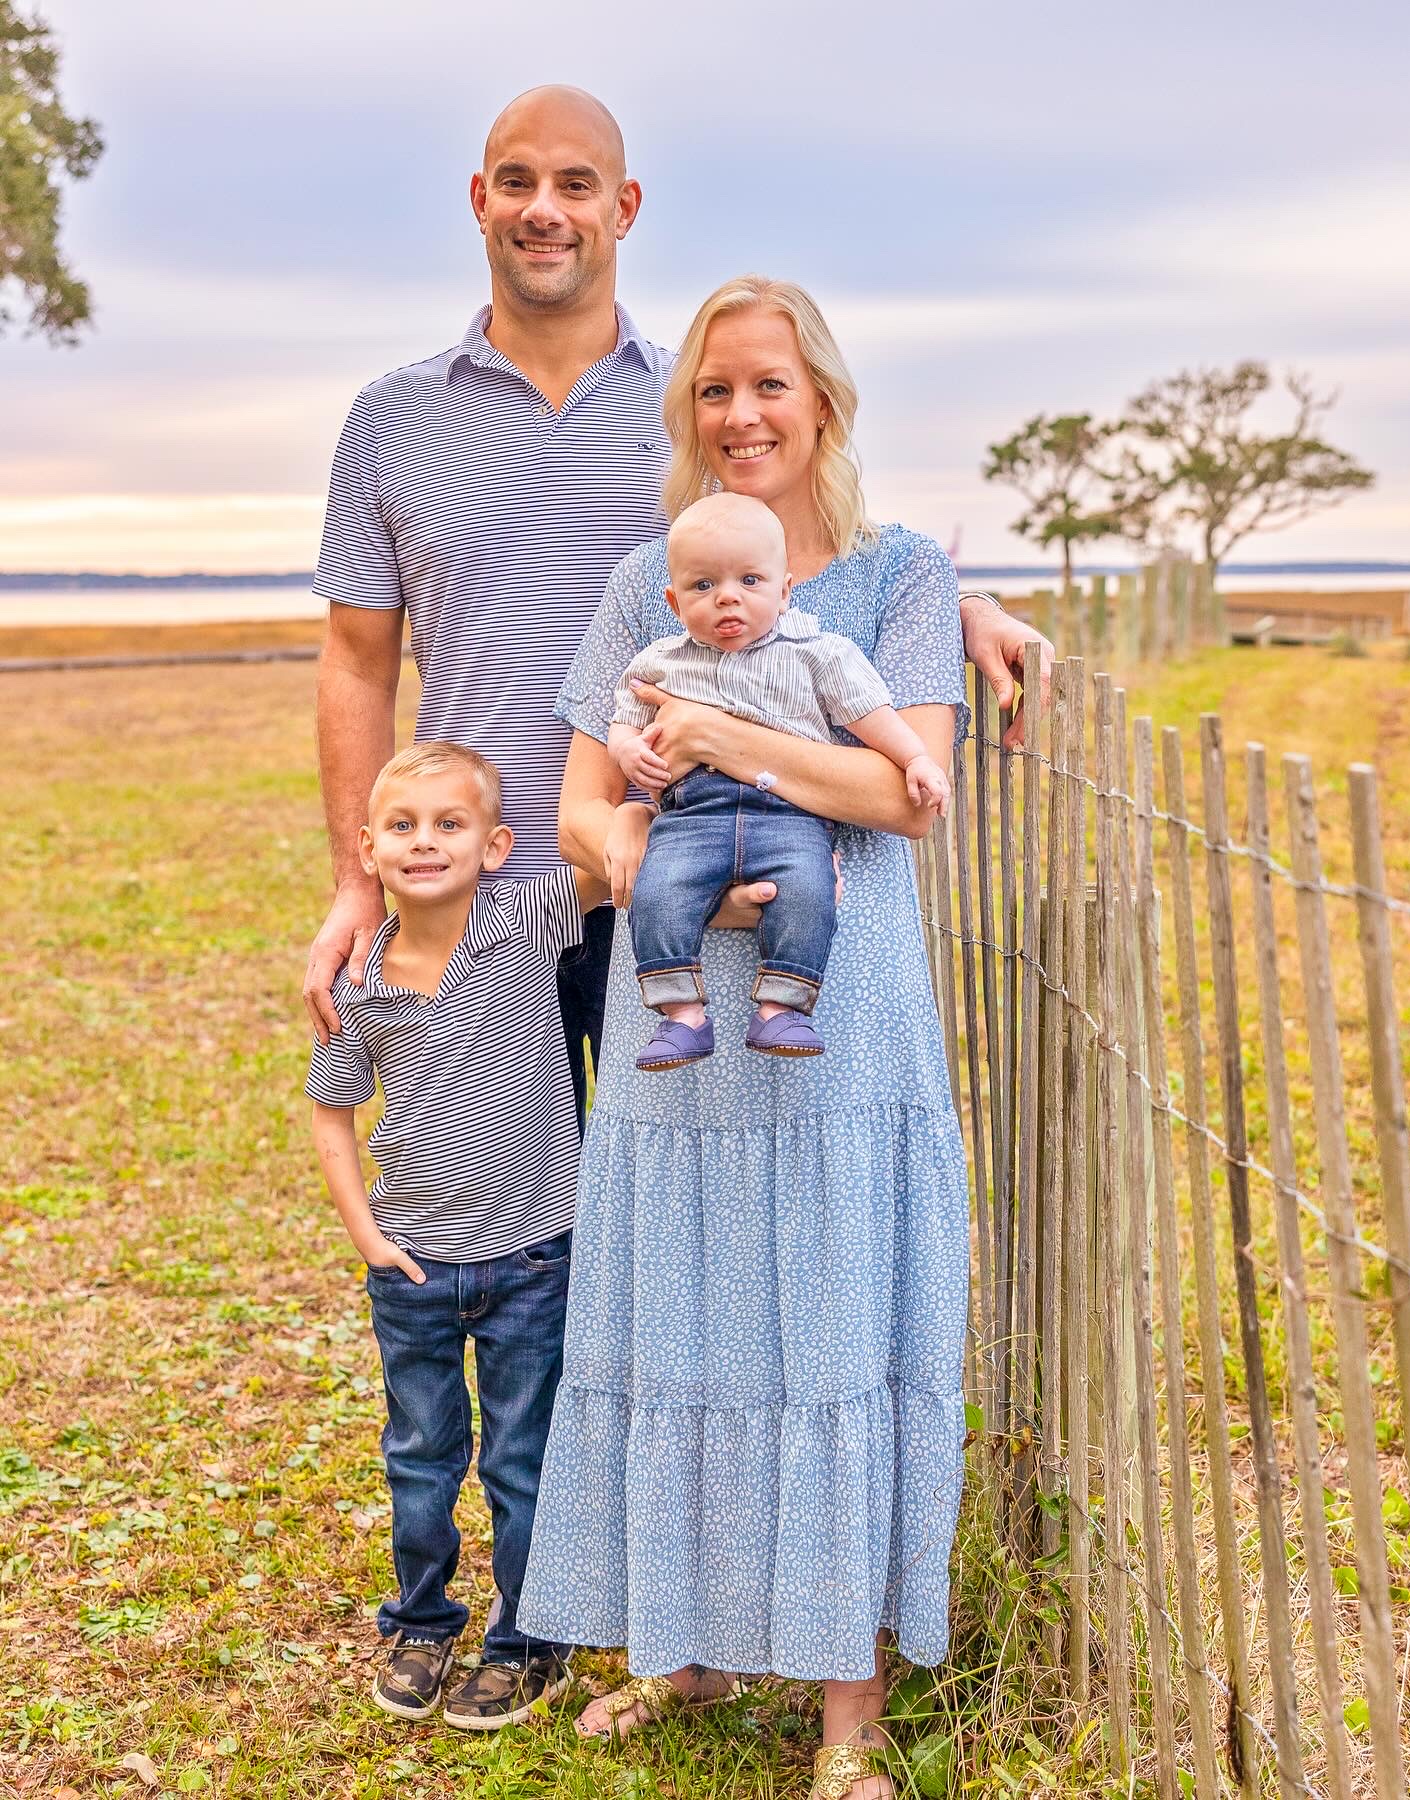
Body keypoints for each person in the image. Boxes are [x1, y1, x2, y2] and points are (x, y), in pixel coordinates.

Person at [301, 83, 1053, 1129]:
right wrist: (357, 884)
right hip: (472, 892)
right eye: (517, 183)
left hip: (669, 871)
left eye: (576, 185)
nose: (544, 210)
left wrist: (964, 607)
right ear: (479, 200)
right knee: (484, 1206)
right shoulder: (392, 420)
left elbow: (806, 550)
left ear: (625, 208)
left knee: (639, 1186)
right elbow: (355, 662)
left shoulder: (696, 409)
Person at [515, 275, 978, 1800]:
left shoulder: (903, 575)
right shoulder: (646, 582)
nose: (742, 414)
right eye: (715, 389)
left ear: (823, 402)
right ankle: (686, 1647)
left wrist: (720, 739)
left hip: (843, 1020)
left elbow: (899, 792)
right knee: (682, 1324)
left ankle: (848, 1713)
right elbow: (583, 808)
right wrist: (648, 863)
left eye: (770, 384)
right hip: (677, 1017)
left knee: (835, 1330)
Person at [306, 741, 637, 1728]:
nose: (425, 842)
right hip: (412, 1268)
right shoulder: (360, 981)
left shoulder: (529, 921)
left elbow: (605, 858)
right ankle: (420, 1623)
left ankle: (527, 1642)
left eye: (450, 825)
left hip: (533, 1257)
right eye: (403, 826)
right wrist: (367, 1236)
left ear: (495, 847)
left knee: (520, 1461)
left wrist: (635, 805)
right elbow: (332, 1114)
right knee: (420, 1456)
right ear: (368, 850)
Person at [606, 491, 950, 1069]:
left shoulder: (819, 652)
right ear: (674, 601)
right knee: (658, 891)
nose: (727, 597)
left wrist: (916, 759)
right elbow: (624, 722)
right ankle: (681, 1014)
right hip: (692, 814)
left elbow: (873, 717)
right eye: (703, 586)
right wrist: (627, 750)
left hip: (788, 812)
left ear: (784, 590)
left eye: (750, 580)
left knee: (811, 890)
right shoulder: (659, 662)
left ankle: (782, 1006)